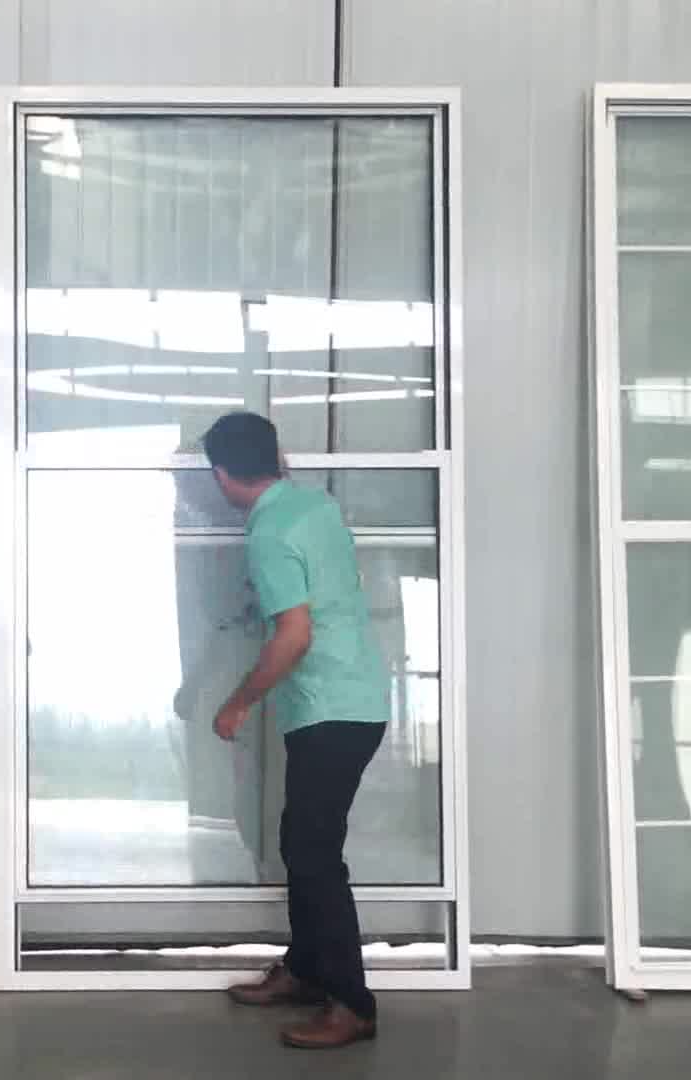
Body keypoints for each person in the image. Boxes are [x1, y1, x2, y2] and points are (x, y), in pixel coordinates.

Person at [201, 411, 391, 1051]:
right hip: (356, 699)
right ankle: (306, 970)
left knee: (313, 855)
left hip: (331, 706)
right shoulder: (317, 506)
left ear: (222, 475)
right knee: (301, 841)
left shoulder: (269, 531)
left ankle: (352, 1005)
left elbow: (294, 634)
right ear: (276, 457)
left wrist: (238, 703)